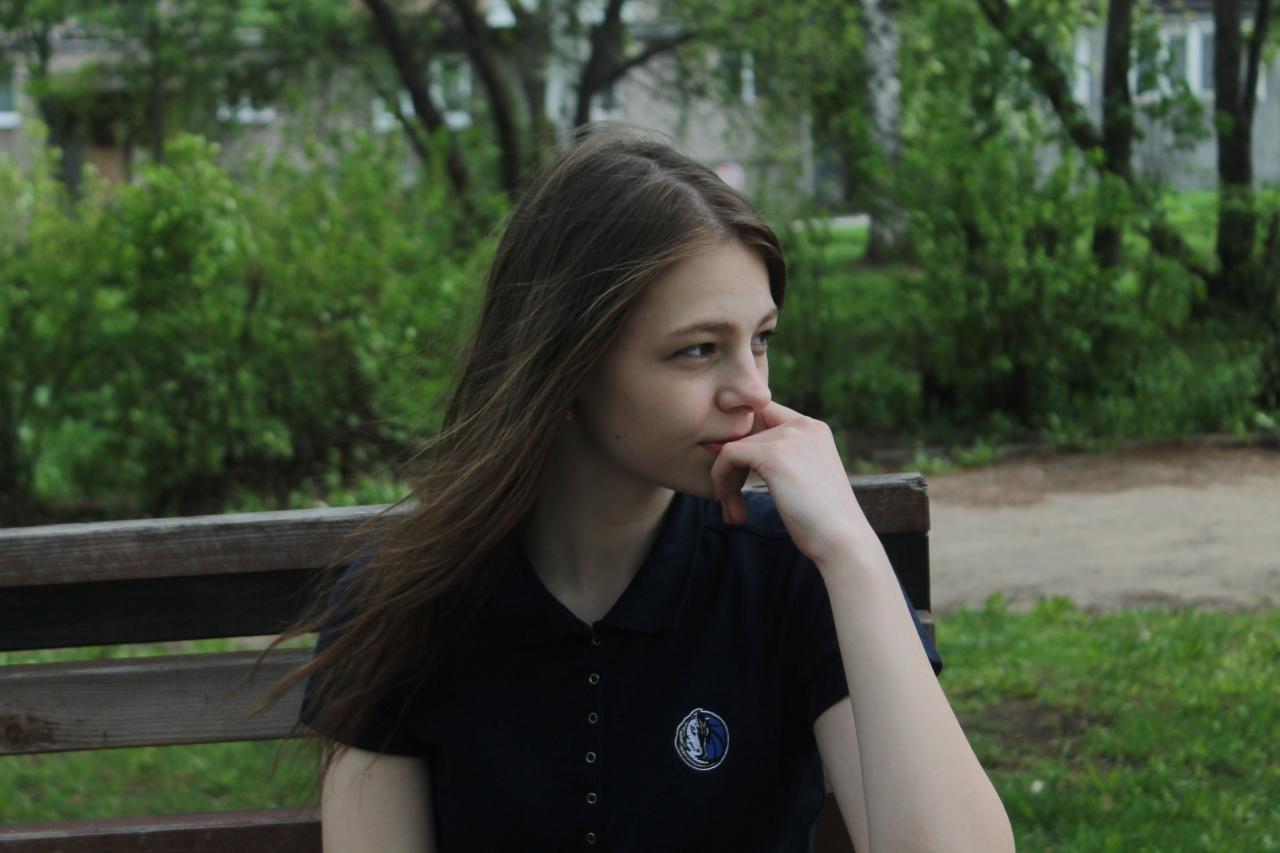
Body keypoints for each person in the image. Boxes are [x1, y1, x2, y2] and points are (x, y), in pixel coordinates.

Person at [269, 128, 1014, 852]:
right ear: (565, 368)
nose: (753, 392)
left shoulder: (792, 573)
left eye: (761, 339)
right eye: (699, 350)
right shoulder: (405, 606)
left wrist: (850, 551)